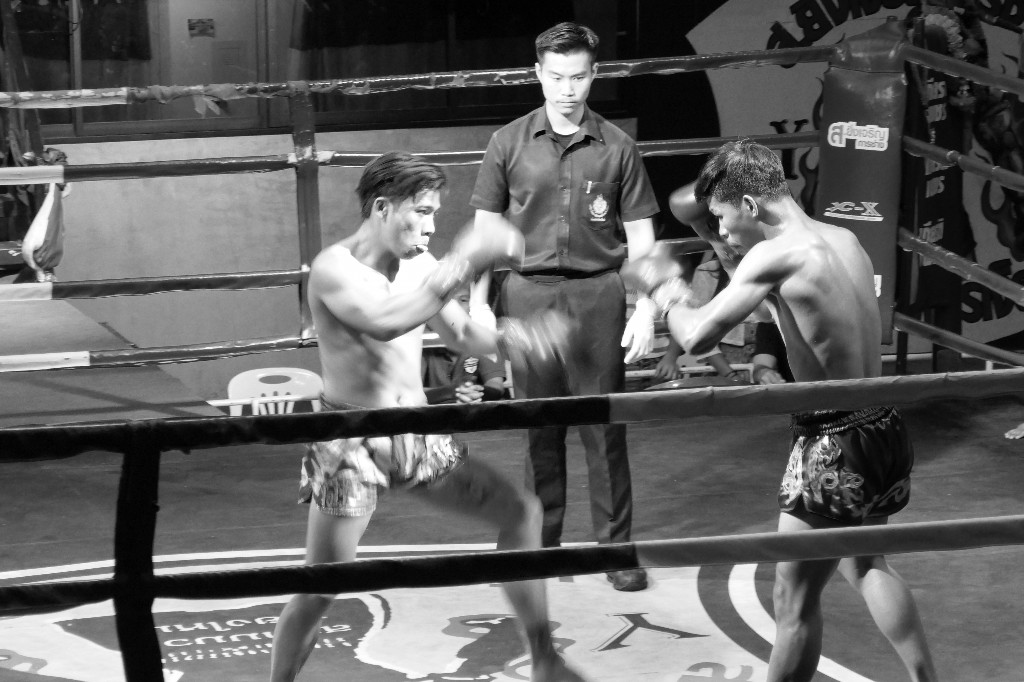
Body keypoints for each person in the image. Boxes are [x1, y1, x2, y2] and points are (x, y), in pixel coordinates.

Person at [622, 140, 938, 682]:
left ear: (749, 204)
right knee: (865, 563)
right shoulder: (842, 238)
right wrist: (715, 233)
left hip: (834, 442)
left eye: (723, 218)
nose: (721, 231)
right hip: (884, 424)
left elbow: (697, 337)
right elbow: (768, 290)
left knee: (791, 602)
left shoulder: (776, 256)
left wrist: (665, 286)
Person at [270, 152, 587, 682]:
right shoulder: (332, 269)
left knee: (520, 512)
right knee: (321, 586)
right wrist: (463, 259)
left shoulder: (421, 265)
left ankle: (543, 659)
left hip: (417, 433)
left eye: (436, 213)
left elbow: (460, 334)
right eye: (422, 211)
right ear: (382, 208)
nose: (432, 226)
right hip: (351, 440)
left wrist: (519, 337)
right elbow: (385, 322)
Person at [470, 22, 659, 592]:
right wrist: (478, 303)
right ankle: (539, 546)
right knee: (538, 429)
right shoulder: (507, 142)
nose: (567, 89)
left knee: (605, 430)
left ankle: (616, 549)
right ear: (538, 73)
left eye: (578, 77)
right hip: (527, 294)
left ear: (594, 74)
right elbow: (485, 232)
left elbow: (642, 237)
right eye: (556, 77)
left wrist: (646, 309)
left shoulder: (618, 146)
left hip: (598, 295)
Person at [423, 286, 508, 404]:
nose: (456, 307)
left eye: (463, 300)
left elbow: (496, 384)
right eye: (448, 301)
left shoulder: (482, 336)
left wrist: (475, 392)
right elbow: (411, 391)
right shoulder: (419, 338)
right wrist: (452, 393)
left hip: (475, 409)